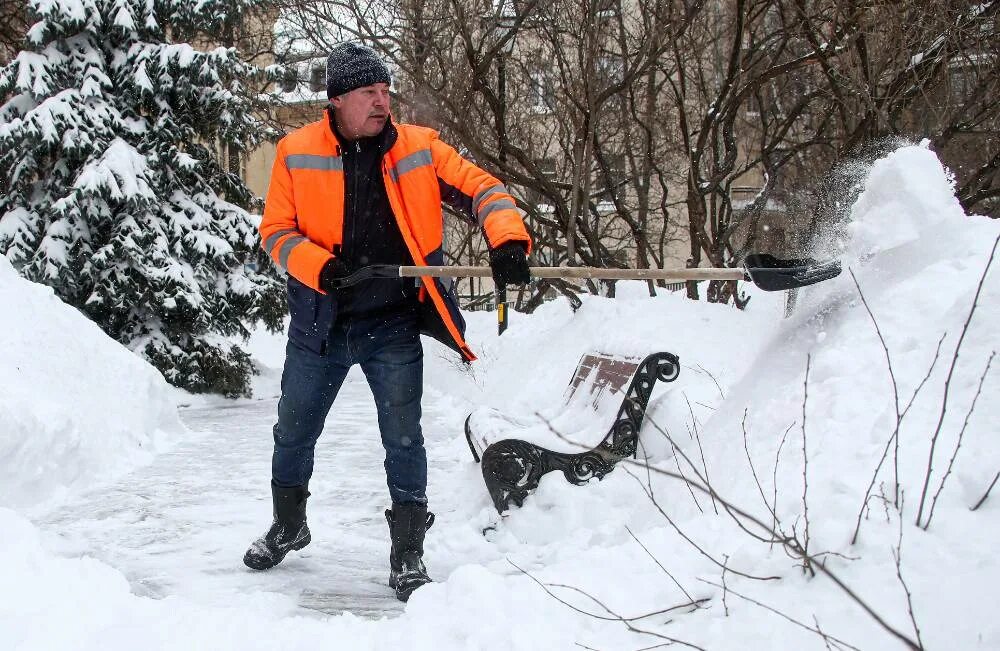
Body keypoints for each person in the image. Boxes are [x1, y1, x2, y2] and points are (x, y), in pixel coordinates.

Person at [244, 42, 532, 602]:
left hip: (391, 323)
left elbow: (484, 189)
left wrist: (507, 240)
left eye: (385, 91)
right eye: (369, 93)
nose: (382, 103)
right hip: (319, 325)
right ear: (338, 100)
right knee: (293, 432)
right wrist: (321, 268)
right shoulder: (296, 151)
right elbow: (276, 233)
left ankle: (408, 554)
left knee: (404, 440)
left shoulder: (417, 148)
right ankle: (289, 524)